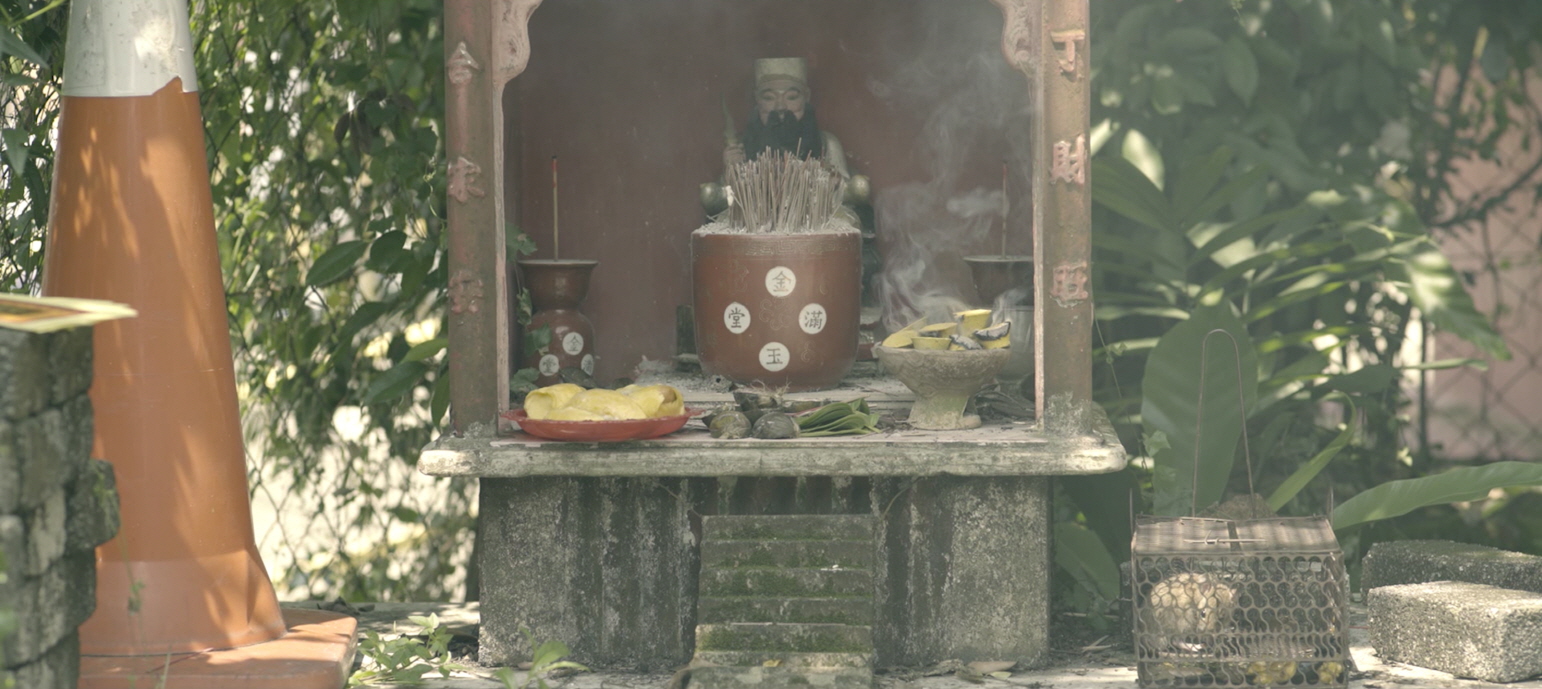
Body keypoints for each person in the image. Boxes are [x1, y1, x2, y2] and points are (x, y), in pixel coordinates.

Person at [702, 57, 870, 218]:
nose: (781, 106)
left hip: (814, 216)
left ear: (806, 97)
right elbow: (725, 199)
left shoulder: (826, 143)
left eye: (791, 97)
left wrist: (829, 182)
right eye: (769, 98)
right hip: (757, 219)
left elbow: (848, 194)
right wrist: (731, 171)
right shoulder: (742, 146)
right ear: (757, 99)